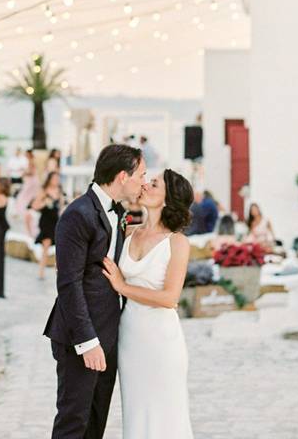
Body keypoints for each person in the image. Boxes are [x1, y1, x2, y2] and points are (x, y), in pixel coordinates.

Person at [43, 144, 146, 439]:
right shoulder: (78, 214)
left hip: (108, 335)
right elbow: (68, 283)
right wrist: (87, 341)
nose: (143, 182)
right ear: (123, 176)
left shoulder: (118, 213)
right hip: (81, 336)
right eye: (141, 175)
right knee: (73, 422)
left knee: (96, 423)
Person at [102, 168, 195, 438]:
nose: (145, 185)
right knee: (136, 413)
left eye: (154, 183)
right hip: (130, 339)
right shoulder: (128, 232)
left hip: (162, 341)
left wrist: (122, 286)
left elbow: (170, 298)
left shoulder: (177, 243)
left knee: (166, 415)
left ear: (168, 199)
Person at [32, 171, 64, 280]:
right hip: (46, 221)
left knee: (59, 248)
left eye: (57, 178)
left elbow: (61, 207)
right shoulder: (44, 191)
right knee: (46, 245)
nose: (56, 180)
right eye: (54, 178)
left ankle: (58, 272)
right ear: (49, 179)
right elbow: (35, 206)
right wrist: (45, 203)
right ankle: (41, 271)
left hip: (56, 221)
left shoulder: (59, 191)